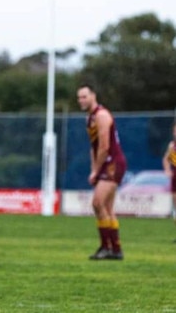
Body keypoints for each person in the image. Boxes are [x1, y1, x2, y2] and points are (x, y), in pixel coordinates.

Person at [77, 84, 126, 260]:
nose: (81, 100)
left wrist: (96, 171)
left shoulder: (102, 115)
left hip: (113, 162)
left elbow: (105, 146)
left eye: (84, 96)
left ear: (93, 96)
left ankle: (106, 247)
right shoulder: (89, 118)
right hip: (104, 163)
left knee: (97, 203)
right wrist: (93, 169)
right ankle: (116, 249)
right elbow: (94, 147)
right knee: (106, 207)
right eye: (79, 97)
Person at [161, 122, 176, 243]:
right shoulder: (172, 146)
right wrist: (167, 170)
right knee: (175, 205)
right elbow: (166, 159)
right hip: (174, 177)